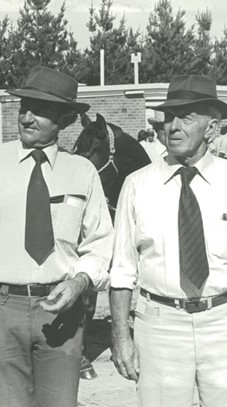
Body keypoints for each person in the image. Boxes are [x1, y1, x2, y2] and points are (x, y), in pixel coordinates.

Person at [0, 66, 114, 407]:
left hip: (62, 309)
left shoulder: (82, 172)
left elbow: (100, 243)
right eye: (24, 107)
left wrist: (79, 282)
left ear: (65, 120)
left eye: (40, 111)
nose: (27, 117)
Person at [110, 74, 227, 407]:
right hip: (160, 325)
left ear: (212, 127)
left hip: (222, 322)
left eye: (186, 117)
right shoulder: (138, 185)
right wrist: (120, 336)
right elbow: (122, 269)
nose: (173, 126)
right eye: (169, 117)